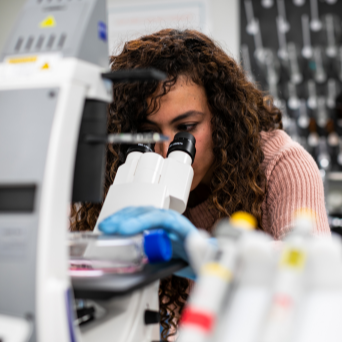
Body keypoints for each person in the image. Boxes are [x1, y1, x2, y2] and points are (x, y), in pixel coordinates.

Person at [70, 29, 330, 340]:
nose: (166, 151)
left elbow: (312, 274)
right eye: (149, 132)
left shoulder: (283, 165)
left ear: (221, 118)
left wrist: (210, 255)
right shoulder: (133, 173)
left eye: (186, 129)